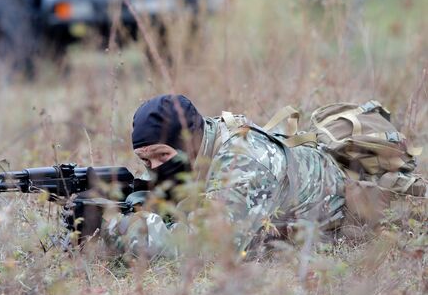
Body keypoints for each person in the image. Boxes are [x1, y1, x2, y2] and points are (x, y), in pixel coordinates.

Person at [100, 94, 423, 260]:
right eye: (146, 159)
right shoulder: (202, 139)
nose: (154, 168)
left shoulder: (243, 160)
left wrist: (116, 224)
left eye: (163, 156)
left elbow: (209, 248)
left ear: (190, 141)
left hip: (357, 213)